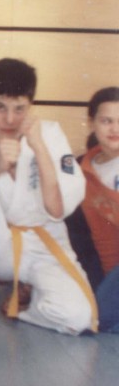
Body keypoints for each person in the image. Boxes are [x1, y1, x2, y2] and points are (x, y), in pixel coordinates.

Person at [0, 58, 96, 334]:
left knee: (78, 317)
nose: (10, 119)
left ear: (31, 105)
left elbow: (57, 210)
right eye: (0, 107)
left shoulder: (50, 134)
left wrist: (39, 149)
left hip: (44, 242)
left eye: (19, 109)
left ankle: (28, 302)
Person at [71, 87, 119, 333]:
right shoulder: (78, 168)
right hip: (102, 269)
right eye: (106, 121)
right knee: (92, 318)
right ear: (91, 123)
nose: (115, 129)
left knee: (103, 319)